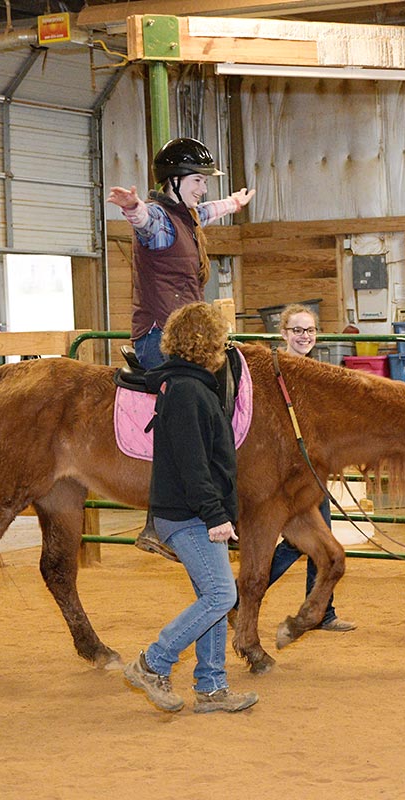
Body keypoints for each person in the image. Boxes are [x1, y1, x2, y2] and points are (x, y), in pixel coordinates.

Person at [123, 302, 258, 714]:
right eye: (221, 336)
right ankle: (153, 662)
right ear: (207, 342)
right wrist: (216, 515)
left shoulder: (191, 385)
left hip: (195, 511)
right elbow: (192, 462)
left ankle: (212, 687)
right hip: (189, 515)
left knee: (212, 595)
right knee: (221, 594)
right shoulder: (186, 391)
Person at [232, 304, 356, 632]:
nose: (304, 337)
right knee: (301, 540)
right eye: (298, 331)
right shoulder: (272, 372)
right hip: (281, 474)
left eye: (310, 331)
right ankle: (237, 599)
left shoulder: (318, 373)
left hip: (312, 469)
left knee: (322, 538)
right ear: (284, 334)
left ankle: (322, 610)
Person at [107, 137, 255, 370]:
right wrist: (133, 208)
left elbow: (207, 212)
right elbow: (146, 222)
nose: (203, 189)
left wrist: (234, 203)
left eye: (204, 182)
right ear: (174, 179)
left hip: (183, 333)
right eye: (197, 180)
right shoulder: (159, 218)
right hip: (159, 337)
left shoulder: (187, 217)